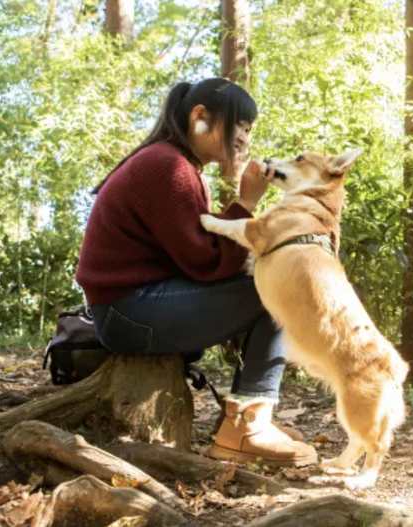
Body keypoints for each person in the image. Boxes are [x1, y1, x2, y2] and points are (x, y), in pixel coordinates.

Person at [75, 78, 317, 467]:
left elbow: (197, 250)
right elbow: (205, 263)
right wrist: (247, 201)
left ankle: (250, 417)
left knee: (269, 279)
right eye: (238, 125)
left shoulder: (177, 164)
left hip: (132, 306)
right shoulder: (167, 166)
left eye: (249, 130)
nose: (243, 138)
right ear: (200, 117)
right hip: (127, 311)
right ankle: (246, 429)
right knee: (276, 289)